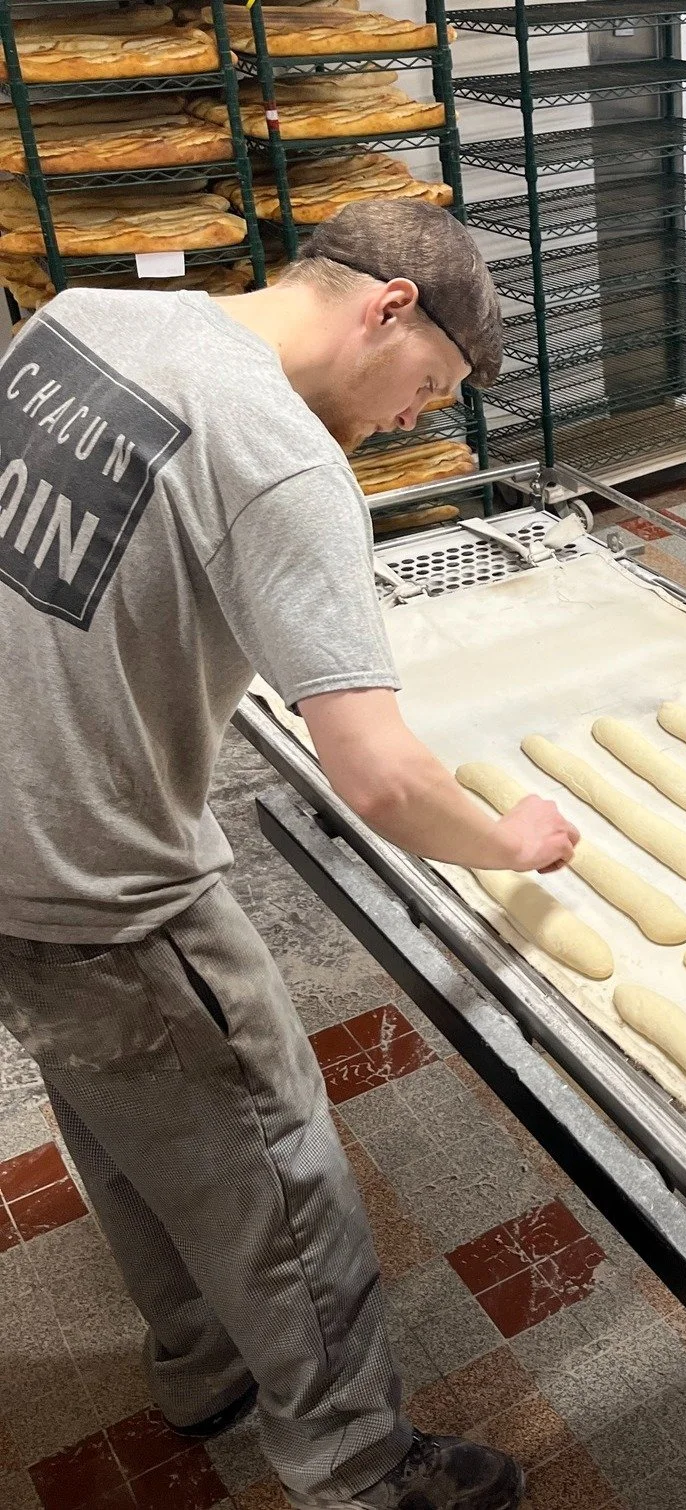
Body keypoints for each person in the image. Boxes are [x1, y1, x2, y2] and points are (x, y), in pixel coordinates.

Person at [0, 201, 578, 1510]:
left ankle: (200, 1363)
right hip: (101, 875)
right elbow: (378, 773)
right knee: (277, 1167)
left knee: (120, 1108)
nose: (420, 416)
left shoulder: (85, 319)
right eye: (432, 384)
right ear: (387, 307)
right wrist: (506, 840)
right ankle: (360, 1470)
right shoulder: (275, 449)